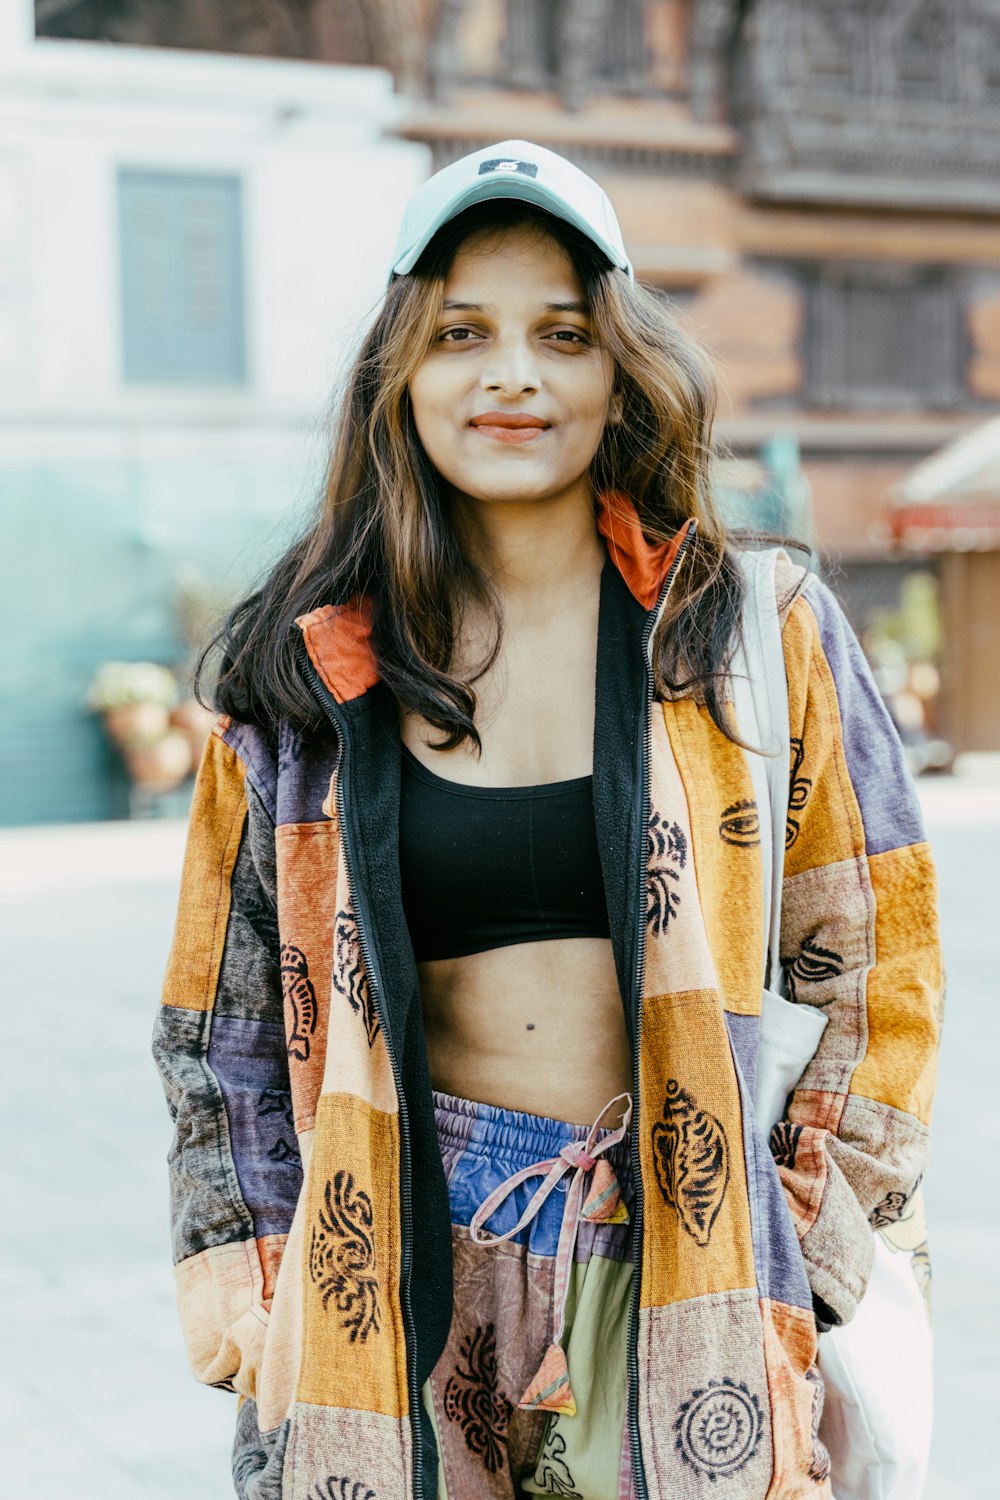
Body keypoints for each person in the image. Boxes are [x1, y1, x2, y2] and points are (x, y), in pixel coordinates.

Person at [153, 141, 941, 1500]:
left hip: (686, 1241)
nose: (511, 374)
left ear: (617, 366)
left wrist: (813, 1236)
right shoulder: (304, 675)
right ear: (400, 373)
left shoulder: (754, 632)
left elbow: (881, 953)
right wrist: (258, 1297)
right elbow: (213, 1029)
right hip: (395, 1245)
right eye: (463, 331)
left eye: (561, 334)